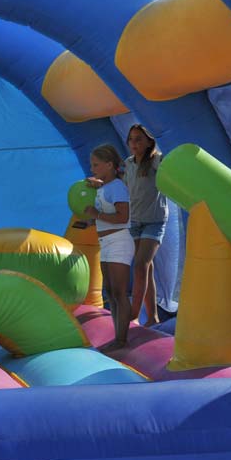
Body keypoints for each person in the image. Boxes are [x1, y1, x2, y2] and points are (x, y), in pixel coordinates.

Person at [84, 144, 134, 352]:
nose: (92, 169)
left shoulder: (117, 187)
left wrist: (97, 216)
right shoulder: (105, 187)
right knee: (111, 292)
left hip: (119, 241)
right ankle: (118, 334)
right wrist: (93, 221)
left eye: (96, 165)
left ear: (109, 165)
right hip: (106, 242)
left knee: (119, 292)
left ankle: (122, 339)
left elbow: (123, 217)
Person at [123, 124, 167, 326]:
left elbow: (167, 165)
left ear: (149, 141)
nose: (134, 143)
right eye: (131, 139)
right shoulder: (129, 163)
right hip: (135, 221)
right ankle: (152, 317)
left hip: (154, 221)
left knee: (141, 265)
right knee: (145, 269)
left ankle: (133, 315)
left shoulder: (156, 161)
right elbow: (126, 186)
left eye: (139, 139)